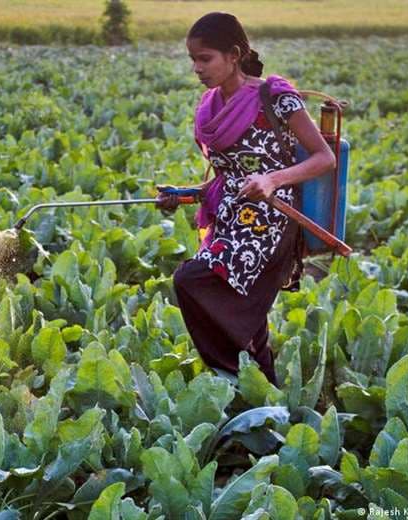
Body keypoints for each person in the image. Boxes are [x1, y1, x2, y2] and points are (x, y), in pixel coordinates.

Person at [157, 12, 336, 385]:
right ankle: (263, 391)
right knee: (248, 323)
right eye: (193, 59)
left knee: (192, 279)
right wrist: (186, 194)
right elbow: (227, 176)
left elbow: (325, 158)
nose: (197, 68)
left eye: (205, 58)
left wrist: (272, 180)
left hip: (271, 220)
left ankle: (231, 375)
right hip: (230, 219)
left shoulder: (275, 98)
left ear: (234, 55)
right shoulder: (210, 107)